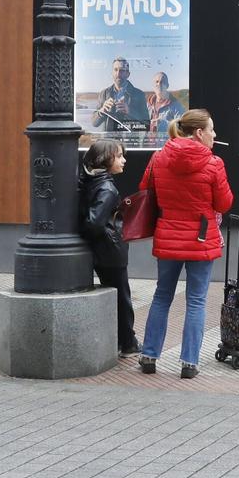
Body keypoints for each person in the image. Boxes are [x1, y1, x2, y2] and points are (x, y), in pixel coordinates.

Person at [136, 108, 233, 379]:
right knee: (197, 301)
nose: (215, 135)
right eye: (212, 129)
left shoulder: (158, 158)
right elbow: (224, 203)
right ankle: (189, 362)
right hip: (201, 240)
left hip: (168, 237)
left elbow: (146, 190)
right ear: (199, 133)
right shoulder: (214, 163)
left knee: (162, 296)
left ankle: (149, 356)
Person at [78, 139, 138, 357]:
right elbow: (94, 223)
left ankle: (124, 340)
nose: (123, 160)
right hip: (110, 249)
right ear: (106, 159)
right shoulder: (107, 188)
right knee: (122, 297)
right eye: (119, 156)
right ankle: (128, 342)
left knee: (118, 295)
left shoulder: (89, 181)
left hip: (101, 248)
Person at [92, 57, 148, 135]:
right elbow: (94, 123)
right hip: (108, 143)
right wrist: (102, 111)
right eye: (115, 70)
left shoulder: (139, 95)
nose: (118, 74)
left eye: (122, 70)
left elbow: (146, 125)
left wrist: (129, 111)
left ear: (128, 74)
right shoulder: (104, 93)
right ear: (112, 73)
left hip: (129, 144)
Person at [144, 72, 184, 141]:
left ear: (167, 85)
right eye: (156, 82)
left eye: (162, 82)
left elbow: (181, 128)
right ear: (153, 86)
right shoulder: (147, 104)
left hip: (166, 146)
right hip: (148, 145)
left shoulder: (176, 105)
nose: (159, 84)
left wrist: (163, 123)